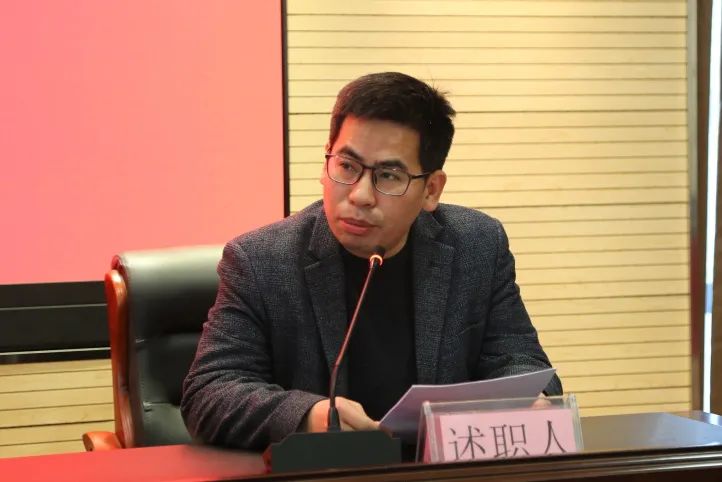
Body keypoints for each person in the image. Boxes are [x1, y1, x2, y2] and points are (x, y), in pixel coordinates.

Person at [181, 72, 562, 450]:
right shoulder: (260, 261)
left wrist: (533, 400)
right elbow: (210, 390)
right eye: (347, 167)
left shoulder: (476, 244)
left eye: (388, 176)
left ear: (431, 190)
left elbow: (519, 359)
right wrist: (306, 415)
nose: (361, 195)